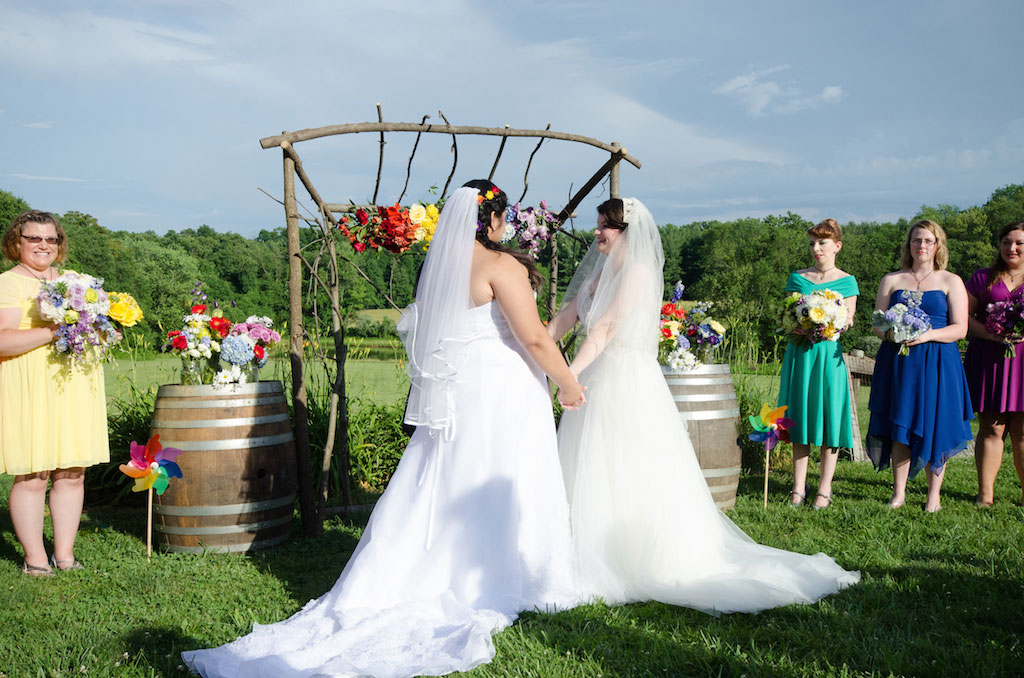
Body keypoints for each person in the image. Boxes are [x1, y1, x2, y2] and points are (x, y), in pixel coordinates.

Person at [183, 182, 586, 677]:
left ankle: (430, 565)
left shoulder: (439, 268)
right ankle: (505, 571)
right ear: (497, 220)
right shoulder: (503, 267)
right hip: (502, 391)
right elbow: (534, 338)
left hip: (461, 391)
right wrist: (568, 383)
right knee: (505, 473)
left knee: (447, 477)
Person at [548, 197, 858, 615]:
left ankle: (625, 552)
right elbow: (569, 314)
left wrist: (567, 377)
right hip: (598, 378)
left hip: (624, 381)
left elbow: (603, 331)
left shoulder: (637, 273)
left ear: (626, 232)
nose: (597, 232)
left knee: (624, 462)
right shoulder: (606, 270)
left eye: (605, 225)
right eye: (599, 223)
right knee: (593, 460)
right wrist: (537, 349)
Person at [0, 210, 109, 576]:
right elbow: (2, 341)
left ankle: (64, 555)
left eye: (51, 239)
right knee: (34, 474)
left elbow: (90, 329)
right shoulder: (9, 283)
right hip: (30, 387)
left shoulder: (77, 283)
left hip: (73, 386)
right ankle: (34, 559)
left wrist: (106, 330)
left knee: (72, 472)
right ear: (17, 242)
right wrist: (55, 329)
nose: (44, 245)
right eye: (34, 238)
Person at [866, 219, 973, 512]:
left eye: (928, 240)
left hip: (939, 362)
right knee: (900, 423)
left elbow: (960, 328)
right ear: (908, 245)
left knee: (935, 424)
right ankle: (898, 493)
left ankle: (933, 496)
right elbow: (878, 324)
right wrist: (892, 332)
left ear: (937, 245)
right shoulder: (892, 279)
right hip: (899, 362)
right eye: (916, 240)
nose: (922, 246)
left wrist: (927, 335)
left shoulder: (951, 281)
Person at [776, 219, 858, 509]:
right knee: (799, 417)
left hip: (829, 356)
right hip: (801, 355)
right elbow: (787, 315)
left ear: (837, 246)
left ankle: (824, 488)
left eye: (822, 243)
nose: (816, 248)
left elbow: (848, 319)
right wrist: (797, 324)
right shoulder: (797, 279)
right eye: (812, 243)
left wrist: (833, 322)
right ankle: (798, 487)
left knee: (829, 418)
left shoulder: (848, 281)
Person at [964, 221, 1024, 507]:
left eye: (1019, 243)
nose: (1011, 248)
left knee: (1023, 430)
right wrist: (992, 335)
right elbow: (963, 318)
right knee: (992, 426)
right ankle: (985, 495)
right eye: (1006, 242)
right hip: (991, 358)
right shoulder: (982, 278)